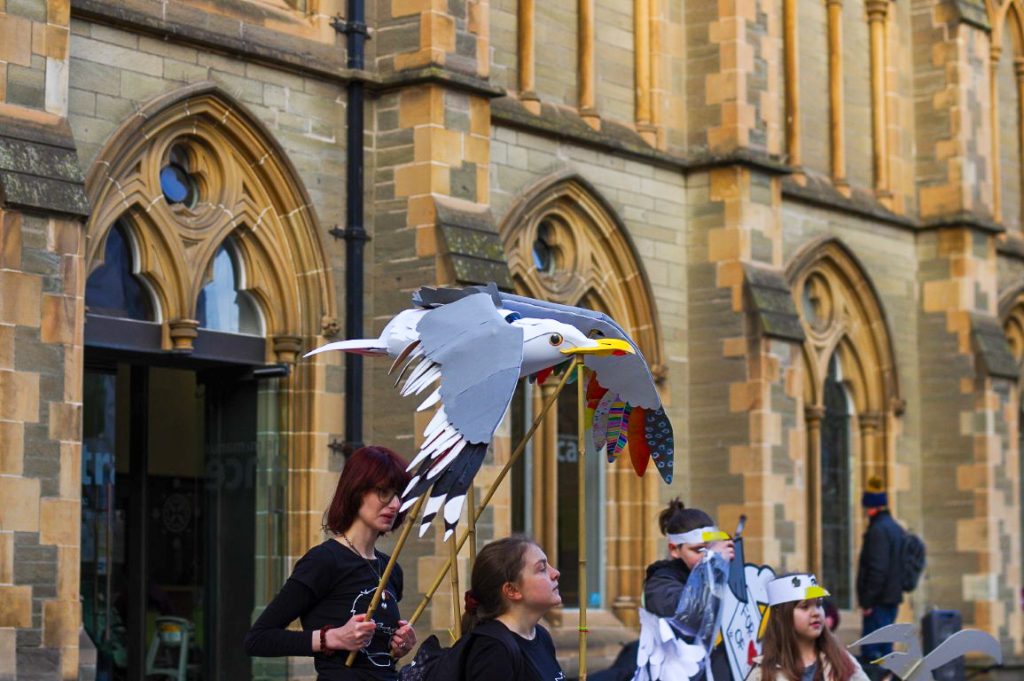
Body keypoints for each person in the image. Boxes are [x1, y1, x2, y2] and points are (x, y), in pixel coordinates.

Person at [244, 445, 418, 680]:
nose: (395, 504)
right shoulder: (324, 561)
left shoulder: (391, 569)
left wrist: (397, 649)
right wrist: (332, 638)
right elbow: (258, 639)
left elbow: (374, 658)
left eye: (399, 494)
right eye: (383, 491)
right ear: (356, 491)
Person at [639, 499, 735, 681]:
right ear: (674, 549)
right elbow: (688, 614)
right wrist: (713, 564)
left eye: (711, 549)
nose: (706, 556)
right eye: (699, 550)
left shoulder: (719, 574)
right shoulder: (660, 582)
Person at [458, 535, 566, 681]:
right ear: (512, 590)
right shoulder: (493, 651)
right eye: (542, 569)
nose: (555, 573)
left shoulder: (541, 636)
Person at [750, 574, 869, 681]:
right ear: (780, 615)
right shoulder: (763, 674)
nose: (816, 613)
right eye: (805, 607)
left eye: (818, 605)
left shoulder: (842, 661)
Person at [855, 477, 905, 662]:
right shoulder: (895, 528)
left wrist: (868, 602)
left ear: (872, 507)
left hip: (878, 603)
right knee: (886, 653)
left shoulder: (878, 530)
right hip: (890, 599)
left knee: (873, 656)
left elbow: (877, 569)